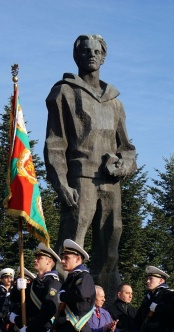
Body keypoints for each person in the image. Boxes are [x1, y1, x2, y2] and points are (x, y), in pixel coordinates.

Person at [44, 34, 137, 294]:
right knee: (72, 242)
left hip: (110, 182)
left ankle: (104, 303)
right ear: (77, 56)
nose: (92, 55)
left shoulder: (115, 102)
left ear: (104, 57)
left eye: (97, 51)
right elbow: (55, 143)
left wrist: (123, 165)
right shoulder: (64, 92)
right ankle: (63, 300)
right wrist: (61, 183)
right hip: (80, 177)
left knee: (111, 240)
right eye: (86, 51)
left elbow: (128, 149)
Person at [2, 244, 62, 332]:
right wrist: (18, 288)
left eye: (39, 257)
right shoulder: (34, 283)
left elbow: (48, 310)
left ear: (49, 262)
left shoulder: (53, 283)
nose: (35, 260)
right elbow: (15, 299)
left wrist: (29, 329)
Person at [40, 239, 96, 332]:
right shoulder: (70, 278)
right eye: (62, 258)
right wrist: (53, 329)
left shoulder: (84, 277)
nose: (62, 261)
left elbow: (81, 294)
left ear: (78, 259)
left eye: (66, 258)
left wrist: (63, 295)